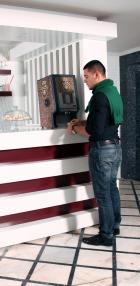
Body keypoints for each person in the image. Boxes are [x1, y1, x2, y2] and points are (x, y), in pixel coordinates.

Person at [67, 60, 123, 246]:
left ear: (97, 74)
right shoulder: (112, 91)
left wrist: (74, 129)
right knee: (112, 189)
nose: (85, 80)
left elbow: (94, 132)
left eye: (86, 76)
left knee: (103, 194)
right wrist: (81, 122)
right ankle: (114, 226)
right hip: (115, 147)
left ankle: (106, 235)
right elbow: (104, 121)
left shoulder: (99, 96)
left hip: (102, 151)